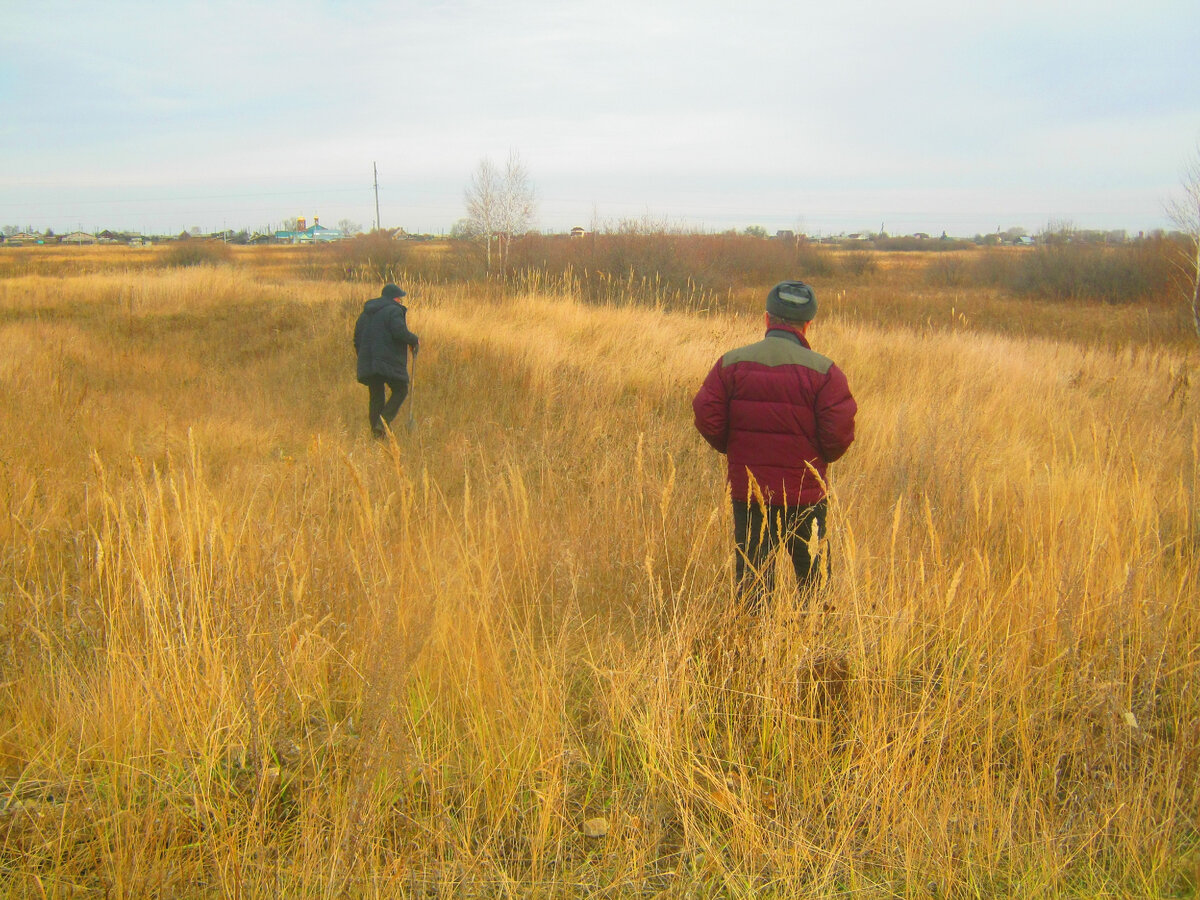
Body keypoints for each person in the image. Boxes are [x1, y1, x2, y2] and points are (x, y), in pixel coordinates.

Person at [692, 281, 856, 610]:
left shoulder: (730, 364)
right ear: (808, 324)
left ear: (767, 319)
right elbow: (839, 434)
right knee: (815, 585)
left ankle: (755, 639)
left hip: (750, 495)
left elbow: (706, 413)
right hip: (806, 496)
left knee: (753, 584)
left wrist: (735, 450)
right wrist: (817, 461)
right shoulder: (825, 372)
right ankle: (815, 640)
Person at [354, 283, 419, 438]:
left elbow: (357, 338)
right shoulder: (394, 310)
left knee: (376, 396)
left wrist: (364, 356)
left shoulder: (365, 314)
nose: (401, 301)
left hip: (369, 361)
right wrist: (414, 340)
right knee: (401, 389)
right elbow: (399, 332)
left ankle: (377, 434)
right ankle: (382, 424)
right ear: (394, 298)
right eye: (400, 298)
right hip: (387, 360)